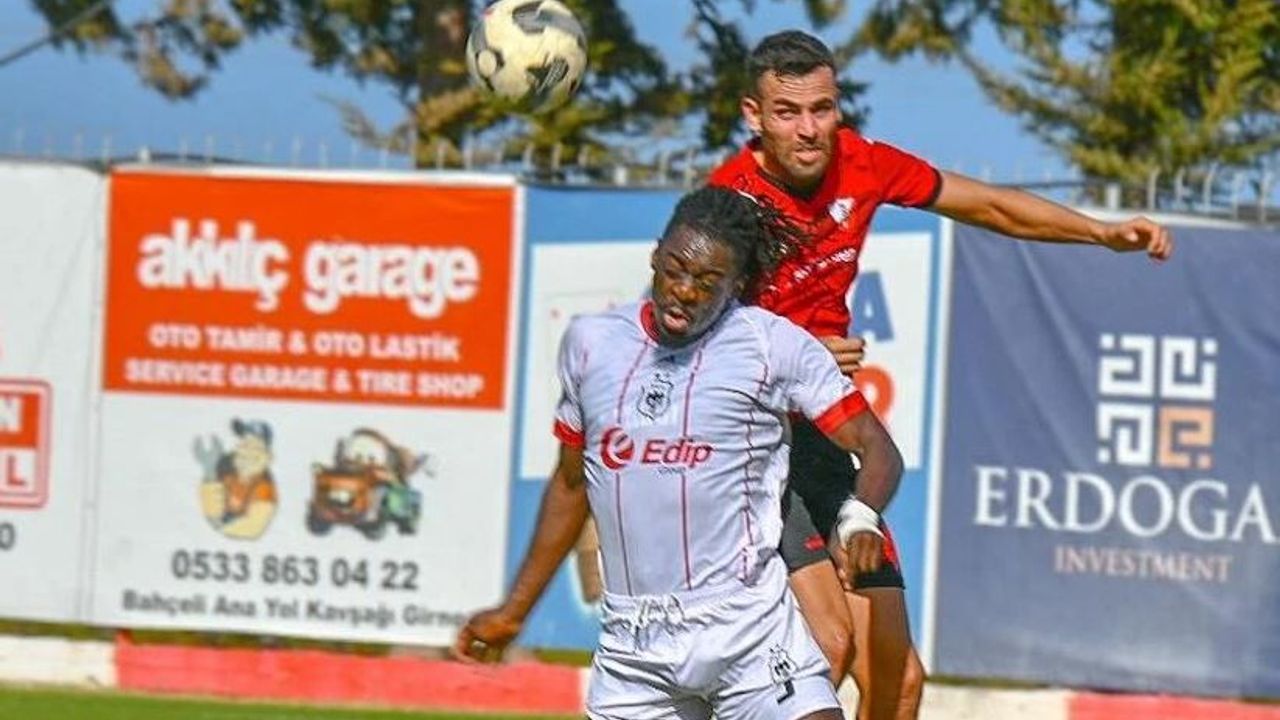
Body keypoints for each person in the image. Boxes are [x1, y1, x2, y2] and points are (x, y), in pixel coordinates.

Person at [707, 30, 1173, 720]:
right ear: (754, 115)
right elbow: (690, 346)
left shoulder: (863, 164)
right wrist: (793, 356)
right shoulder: (727, 203)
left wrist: (1098, 233)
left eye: (822, 109)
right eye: (787, 112)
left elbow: (988, 204)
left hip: (831, 442)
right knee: (826, 650)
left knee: (898, 684)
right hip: (754, 449)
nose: (808, 129)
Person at [453, 186, 905, 720]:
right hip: (635, 651)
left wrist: (859, 517)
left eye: (708, 283)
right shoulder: (591, 345)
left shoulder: (772, 345)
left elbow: (875, 446)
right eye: (674, 270)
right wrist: (514, 612)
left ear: (738, 286)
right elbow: (573, 484)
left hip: (749, 632)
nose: (685, 291)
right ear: (655, 255)